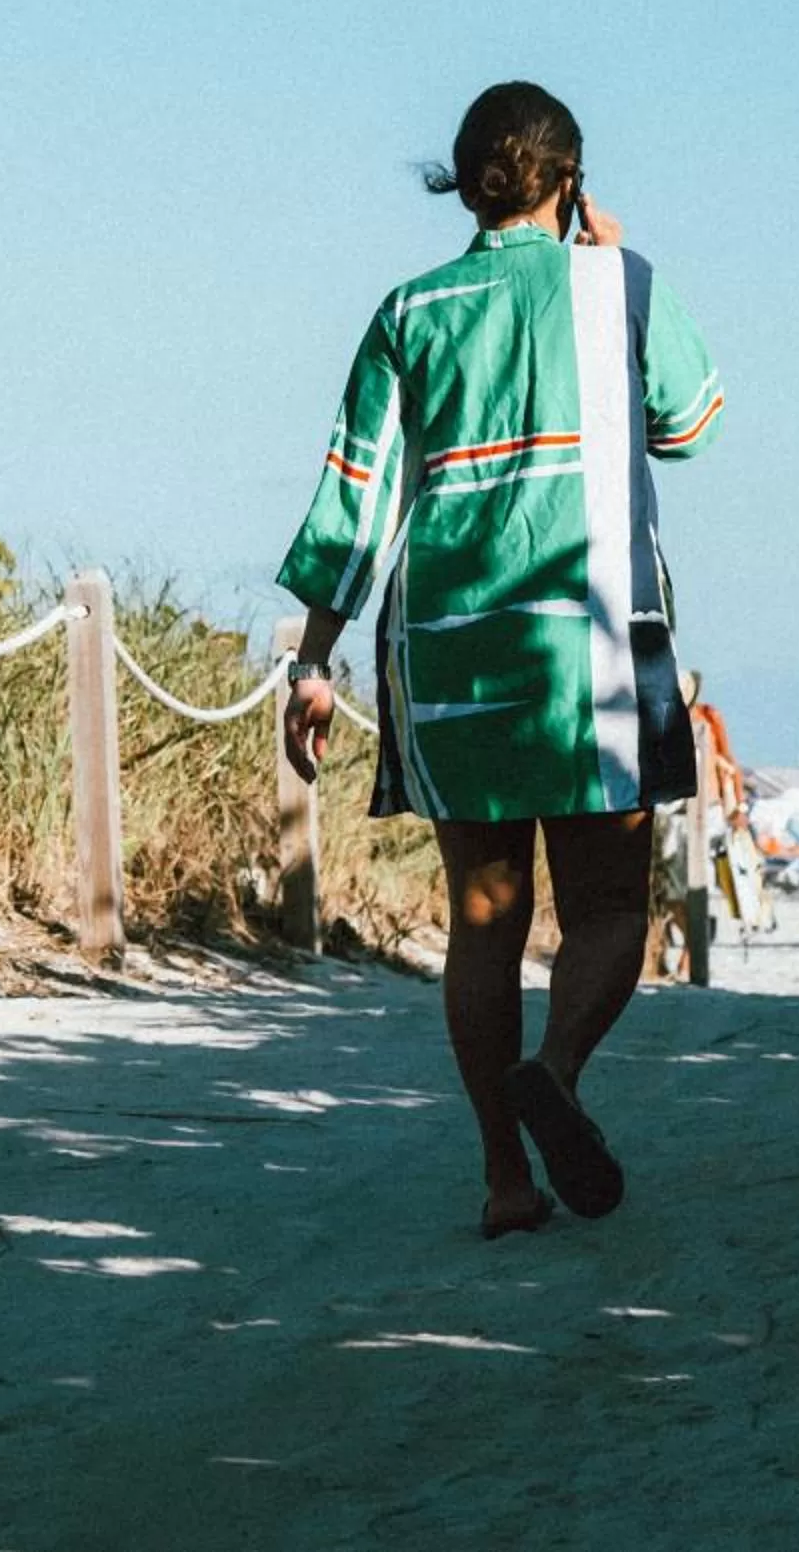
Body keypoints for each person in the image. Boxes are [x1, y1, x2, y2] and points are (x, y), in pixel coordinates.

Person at [274, 80, 724, 1240]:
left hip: (449, 644)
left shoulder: (409, 310)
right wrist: (617, 259)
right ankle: (560, 1072)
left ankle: (503, 1177)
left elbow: (356, 496)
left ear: (465, 183)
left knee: (484, 918)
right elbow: (688, 422)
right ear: (570, 182)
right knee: (609, 908)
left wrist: (313, 663)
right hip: (597, 642)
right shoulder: (618, 284)